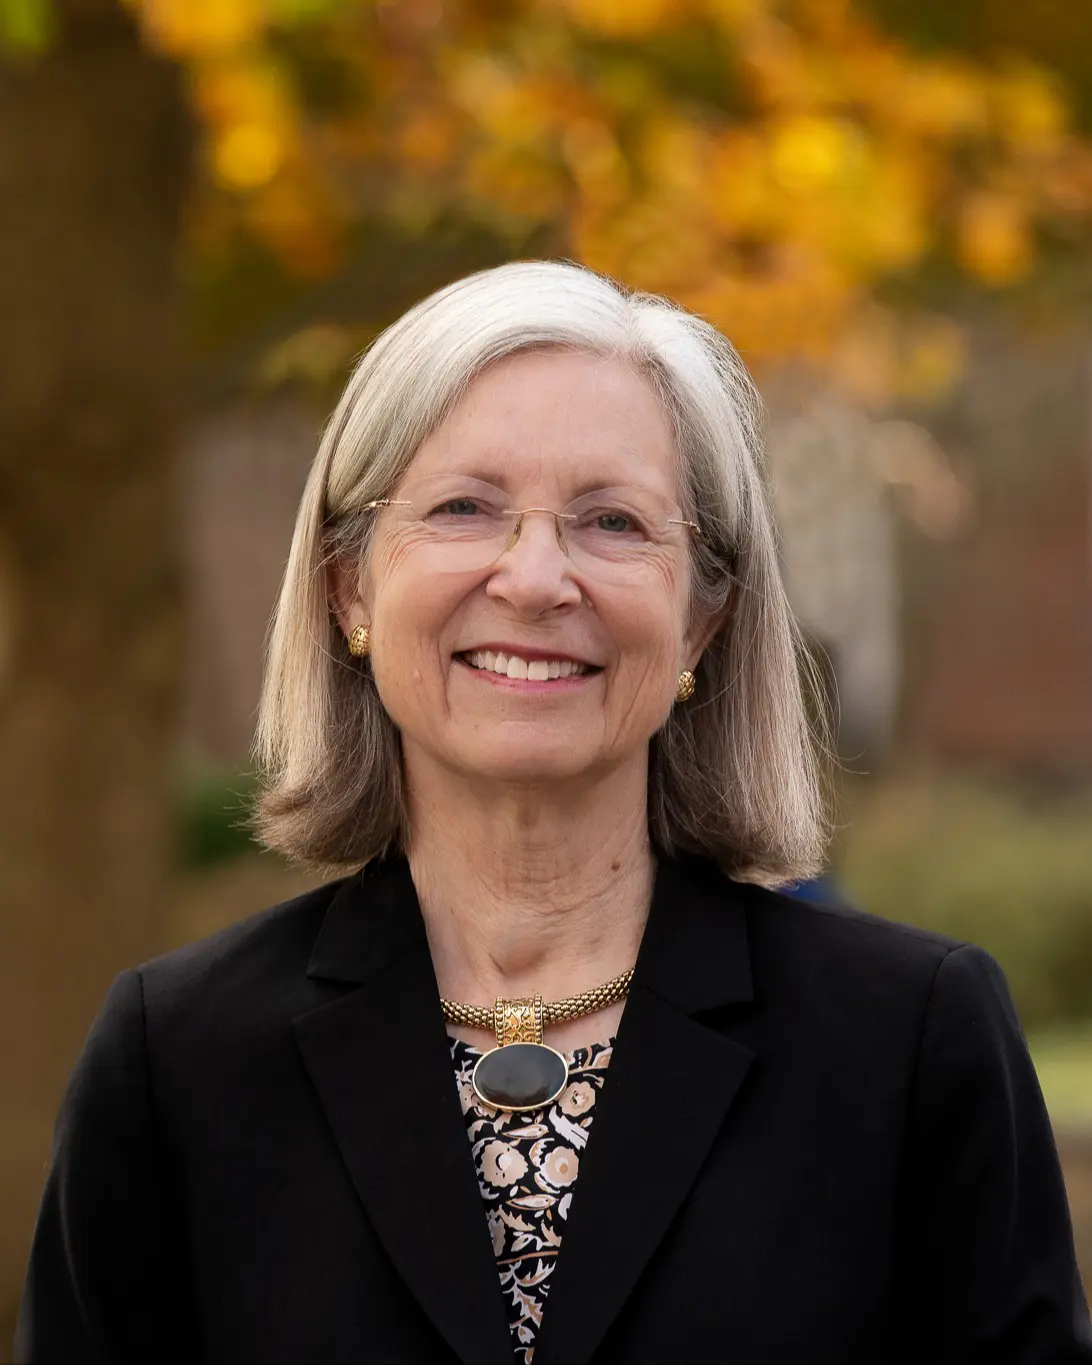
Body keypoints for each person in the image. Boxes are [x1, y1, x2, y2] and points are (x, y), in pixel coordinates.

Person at [16, 261, 1091, 1364]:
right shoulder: (178, 1059)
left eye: (612, 521)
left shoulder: (910, 1043)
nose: (536, 578)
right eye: (464, 508)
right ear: (350, 588)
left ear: (704, 619)